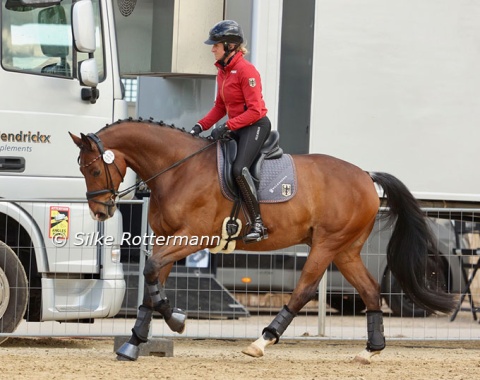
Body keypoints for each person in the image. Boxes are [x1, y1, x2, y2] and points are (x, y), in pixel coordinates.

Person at [190, 20, 271, 243]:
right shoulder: (223, 72)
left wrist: (226, 126)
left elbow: (255, 111)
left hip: (255, 126)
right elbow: (219, 107)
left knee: (238, 168)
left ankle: (258, 223)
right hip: (237, 125)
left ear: (230, 46)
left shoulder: (247, 71)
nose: (212, 48)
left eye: (215, 45)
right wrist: (199, 126)